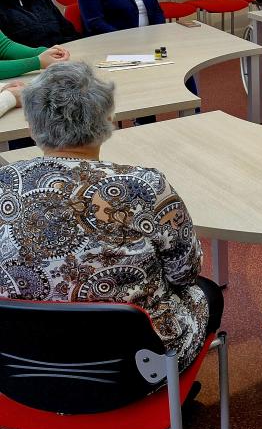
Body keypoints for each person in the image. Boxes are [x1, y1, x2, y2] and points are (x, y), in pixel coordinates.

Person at [0, 62, 223, 372]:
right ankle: (173, 407)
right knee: (208, 292)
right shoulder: (144, 187)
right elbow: (184, 272)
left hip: (21, 364)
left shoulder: (5, 180)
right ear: (107, 122)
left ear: (31, 125)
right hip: (136, 368)